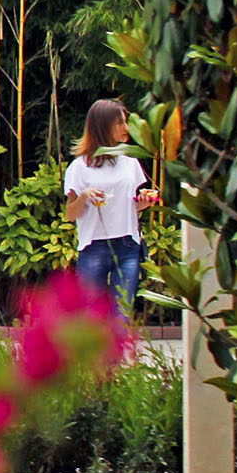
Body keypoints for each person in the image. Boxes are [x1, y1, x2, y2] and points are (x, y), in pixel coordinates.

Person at [66, 98, 156, 318]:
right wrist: (85, 196)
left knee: (122, 317)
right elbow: (71, 214)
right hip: (93, 246)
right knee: (91, 318)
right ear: (102, 126)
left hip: (127, 245)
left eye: (126, 122)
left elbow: (127, 207)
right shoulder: (79, 167)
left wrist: (142, 203)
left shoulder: (130, 162)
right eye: (120, 123)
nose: (126, 128)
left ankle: (117, 355)